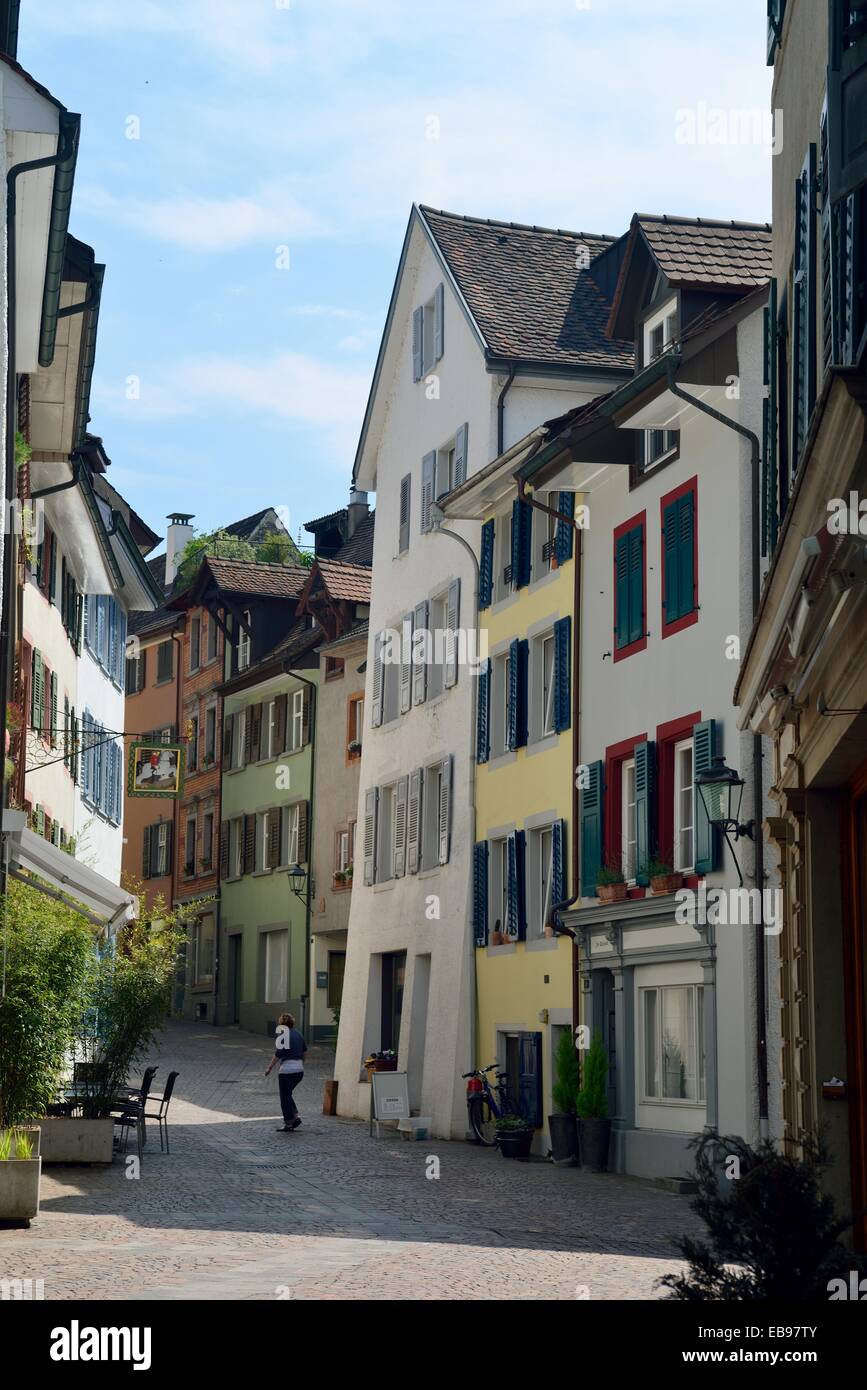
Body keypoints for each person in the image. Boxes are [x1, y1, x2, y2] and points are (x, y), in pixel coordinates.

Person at [264, 1012, 308, 1132]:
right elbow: (305, 1052)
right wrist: (300, 1063)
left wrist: (269, 1068)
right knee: (288, 1095)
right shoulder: (299, 1034)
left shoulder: (283, 1035)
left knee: (284, 1097)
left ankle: (289, 1123)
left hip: (286, 1071)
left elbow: (278, 1054)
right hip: (299, 1071)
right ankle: (295, 1117)